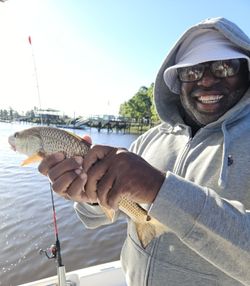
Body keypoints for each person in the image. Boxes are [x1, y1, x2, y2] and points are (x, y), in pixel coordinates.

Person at [38, 17, 250, 286]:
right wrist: (89, 195)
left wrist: (160, 188)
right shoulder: (148, 141)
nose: (206, 81)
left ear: (246, 72)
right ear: (177, 81)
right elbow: (102, 218)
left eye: (224, 66)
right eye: (191, 72)